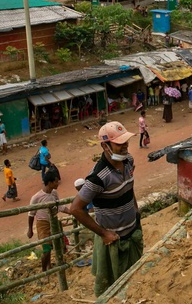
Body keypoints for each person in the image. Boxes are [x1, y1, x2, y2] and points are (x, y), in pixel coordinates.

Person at [69, 121, 143, 297]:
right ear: (105, 146)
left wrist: (135, 208)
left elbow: (129, 185)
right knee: (113, 286)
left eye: (126, 142)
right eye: (119, 144)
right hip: (114, 240)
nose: (125, 146)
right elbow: (75, 209)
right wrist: (104, 234)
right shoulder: (98, 178)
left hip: (132, 232)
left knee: (135, 278)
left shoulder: (128, 160)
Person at [27, 171, 70, 273]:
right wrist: (30, 229)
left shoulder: (54, 193)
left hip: (53, 222)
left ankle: (51, 265)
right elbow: (31, 214)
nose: (57, 183)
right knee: (46, 249)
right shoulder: (36, 197)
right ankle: (44, 271)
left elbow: (59, 206)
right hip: (43, 224)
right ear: (49, 183)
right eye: (55, 182)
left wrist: (71, 212)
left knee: (56, 244)